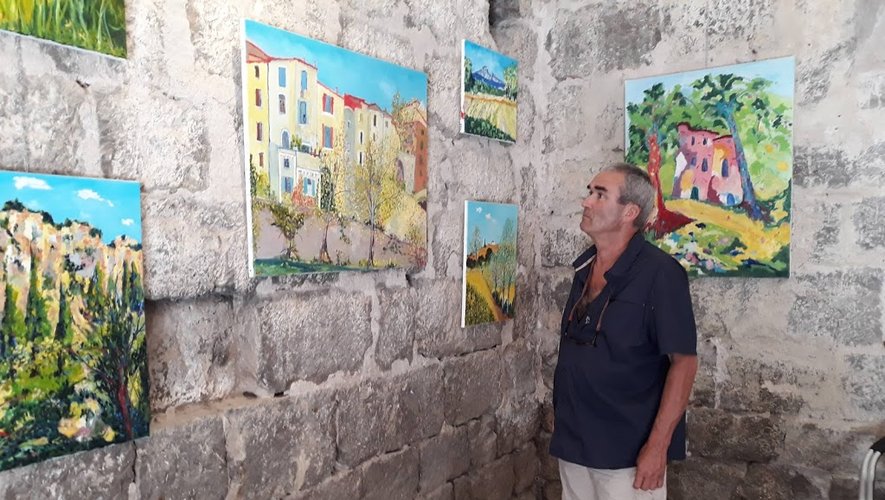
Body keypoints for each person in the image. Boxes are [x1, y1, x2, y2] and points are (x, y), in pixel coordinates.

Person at [550, 163, 698, 500]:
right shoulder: (584, 268)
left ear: (630, 212)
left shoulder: (662, 274)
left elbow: (684, 364)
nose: (587, 201)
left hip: (627, 452)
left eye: (600, 195)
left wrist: (657, 447)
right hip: (574, 442)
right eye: (590, 192)